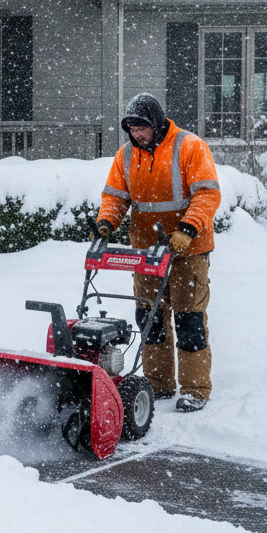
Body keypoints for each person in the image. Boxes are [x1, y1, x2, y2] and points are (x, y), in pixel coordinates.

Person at [96, 93, 220, 412]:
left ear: (156, 123)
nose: (137, 135)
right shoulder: (126, 155)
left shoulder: (189, 146)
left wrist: (187, 229)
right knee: (150, 317)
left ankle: (195, 388)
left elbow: (207, 194)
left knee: (188, 317)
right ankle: (159, 382)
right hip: (147, 251)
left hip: (188, 250)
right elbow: (115, 195)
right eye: (132, 129)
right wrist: (107, 221)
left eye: (142, 128)